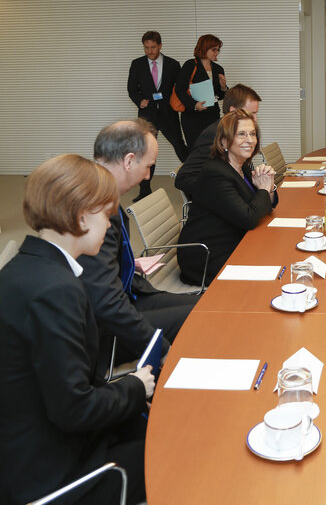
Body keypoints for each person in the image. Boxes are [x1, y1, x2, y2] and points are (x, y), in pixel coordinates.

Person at [0, 154, 154, 504]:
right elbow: (75, 410)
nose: (110, 225)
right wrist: (133, 386)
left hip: (36, 435)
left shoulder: (31, 267)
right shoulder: (57, 290)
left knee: (158, 423)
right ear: (82, 217)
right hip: (52, 472)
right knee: (178, 449)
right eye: (107, 215)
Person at [78, 119, 199, 365]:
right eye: (148, 167)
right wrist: (162, 349)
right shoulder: (94, 205)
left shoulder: (95, 188)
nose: (147, 175)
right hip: (104, 329)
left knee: (206, 304)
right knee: (201, 318)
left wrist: (126, 261)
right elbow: (105, 302)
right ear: (129, 160)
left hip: (129, 293)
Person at [178, 109, 278, 285]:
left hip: (235, 240)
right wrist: (262, 189)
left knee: (277, 253)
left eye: (253, 134)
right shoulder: (215, 173)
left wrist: (268, 185)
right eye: (241, 134)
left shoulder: (243, 166)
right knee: (273, 269)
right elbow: (248, 217)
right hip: (207, 256)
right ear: (224, 141)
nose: (250, 140)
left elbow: (264, 206)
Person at [127, 30, 188, 201]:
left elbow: (181, 88)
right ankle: (144, 190)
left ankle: (197, 181)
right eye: (146, 48)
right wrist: (140, 101)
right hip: (147, 115)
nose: (149, 51)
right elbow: (132, 88)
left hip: (169, 113)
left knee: (180, 146)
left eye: (153, 47)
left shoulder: (173, 64)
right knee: (145, 151)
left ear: (160, 45)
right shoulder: (137, 64)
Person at [175, 83, 261, 199]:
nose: (255, 119)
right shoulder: (214, 135)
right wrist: (220, 191)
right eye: (251, 113)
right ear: (233, 111)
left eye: (256, 113)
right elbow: (183, 178)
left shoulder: (238, 133)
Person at [176, 34, 227, 152]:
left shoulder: (218, 69)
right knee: (195, 150)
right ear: (204, 48)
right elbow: (180, 90)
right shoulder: (190, 65)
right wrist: (194, 105)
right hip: (192, 117)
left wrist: (223, 87)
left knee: (214, 150)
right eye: (214, 49)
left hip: (212, 116)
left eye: (218, 50)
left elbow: (219, 96)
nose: (217, 52)